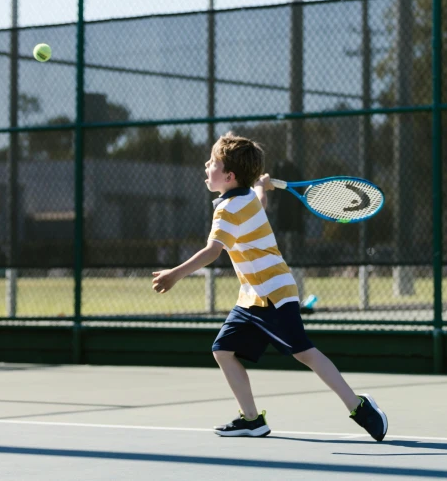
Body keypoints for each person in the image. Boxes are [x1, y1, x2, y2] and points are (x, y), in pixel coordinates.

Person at [151, 132, 388, 441]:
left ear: (229, 175)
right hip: (252, 297)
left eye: (213, 162)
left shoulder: (227, 210)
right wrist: (262, 188)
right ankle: (252, 420)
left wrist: (175, 274)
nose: (206, 166)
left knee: (305, 354)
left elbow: (213, 250)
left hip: (273, 293)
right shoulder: (246, 197)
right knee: (223, 350)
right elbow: (259, 202)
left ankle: (361, 408)